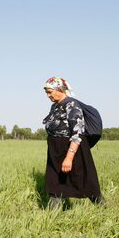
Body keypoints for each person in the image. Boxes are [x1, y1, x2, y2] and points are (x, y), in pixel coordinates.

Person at [42, 77, 103, 209]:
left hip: (72, 148)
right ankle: (53, 216)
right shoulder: (55, 106)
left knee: (85, 180)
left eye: (50, 92)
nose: (48, 95)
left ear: (60, 89)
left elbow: (77, 132)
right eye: (46, 92)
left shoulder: (71, 105)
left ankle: (102, 208)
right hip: (55, 149)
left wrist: (69, 157)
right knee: (54, 181)